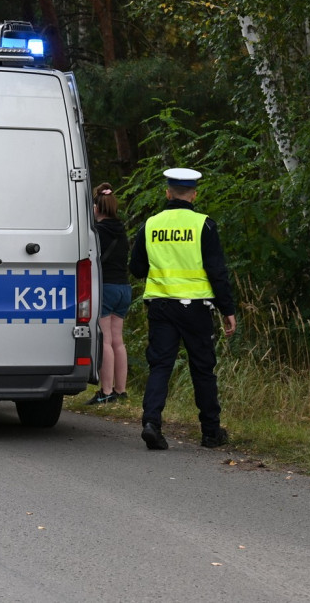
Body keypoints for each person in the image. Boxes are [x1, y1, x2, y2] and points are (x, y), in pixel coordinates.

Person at [129, 168, 237, 450]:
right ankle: (211, 433)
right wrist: (228, 309)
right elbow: (217, 271)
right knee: (202, 368)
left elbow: (137, 268)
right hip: (196, 307)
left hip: (160, 305)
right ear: (194, 194)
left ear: (167, 193)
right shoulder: (204, 225)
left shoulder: (150, 224)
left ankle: (151, 423)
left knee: (160, 366)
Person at [86, 182, 131, 405]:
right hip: (124, 288)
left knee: (104, 340)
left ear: (96, 207)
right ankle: (121, 391)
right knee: (118, 341)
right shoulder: (122, 231)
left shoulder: (97, 233)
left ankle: (106, 392)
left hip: (107, 288)